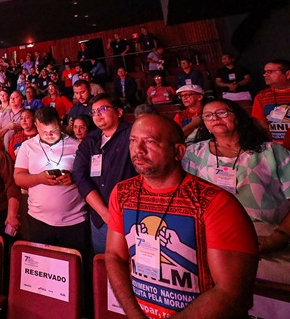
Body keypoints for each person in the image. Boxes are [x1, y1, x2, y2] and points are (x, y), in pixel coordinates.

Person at [106, 114, 258, 319]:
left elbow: (232, 293)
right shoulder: (122, 193)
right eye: (133, 141)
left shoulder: (215, 203)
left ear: (178, 151)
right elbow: (114, 256)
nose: (138, 150)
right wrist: (135, 315)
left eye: (150, 142)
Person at [183, 99, 290, 283]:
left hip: (266, 234)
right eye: (208, 116)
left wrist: (276, 238)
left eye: (222, 113)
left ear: (238, 117)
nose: (215, 118)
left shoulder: (271, 152)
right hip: (213, 238)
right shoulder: (194, 153)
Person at [14, 107, 89, 256]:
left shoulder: (77, 146)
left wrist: (73, 178)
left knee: (74, 267)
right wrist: (39, 178)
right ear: (36, 125)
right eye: (44, 132)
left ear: (60, 124)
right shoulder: (27, 147)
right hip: (39, 220)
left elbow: (90, 178)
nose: (49, 135)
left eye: (53, 131)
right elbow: (18, 178)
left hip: (74, 221)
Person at [73, 94, 136, 254]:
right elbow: (80, 176)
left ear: (119, 112)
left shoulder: (133, 135)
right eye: (93, 112)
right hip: (100, 220)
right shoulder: (90, 140)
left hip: (130, 216)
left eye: (102, 109)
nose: (97, 115)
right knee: (104, 266)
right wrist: (104, 212)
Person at [252, 59, 290, 145]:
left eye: (270, 71)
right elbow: (261, 121)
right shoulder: (261, 96)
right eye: (265, 71)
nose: (265, 75)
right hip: (278, 148)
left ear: (288, 74)